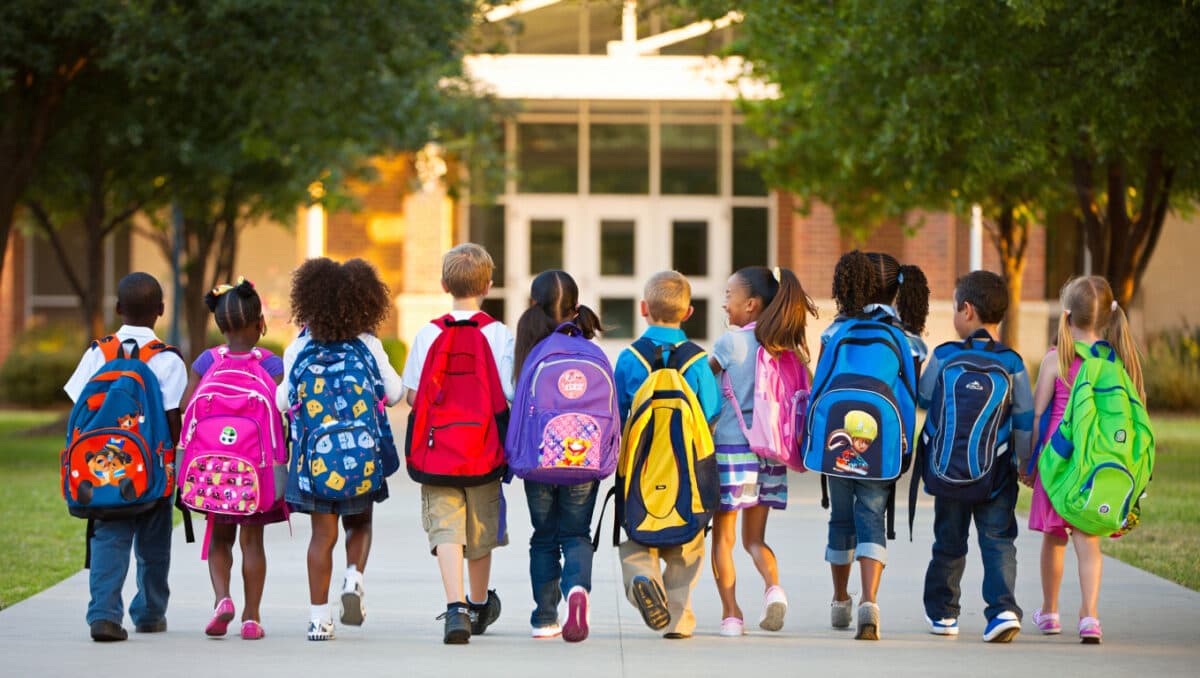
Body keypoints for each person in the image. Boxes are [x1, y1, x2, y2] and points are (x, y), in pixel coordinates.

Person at [277, 258, 402, 641]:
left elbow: (283, 401)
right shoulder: (368, 345)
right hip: (361, 458)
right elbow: (394, 393)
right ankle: (353, 577)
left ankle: (318, 620)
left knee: (322, 536)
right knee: (360, 523)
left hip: (314, 464)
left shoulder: (299, 348)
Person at [63, 272, 188, 642]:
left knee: (108, 539)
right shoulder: (168, 359)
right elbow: (172, 419)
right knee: (154, 545)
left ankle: (103, 616)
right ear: (161, 310)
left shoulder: (97, 352)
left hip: (102, 472)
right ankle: (149, 614)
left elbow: (79, 407)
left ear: (118, 309)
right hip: (152, 470)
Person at [1022, 276, 1145, 644]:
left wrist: (1029, 464)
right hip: (1095, 467)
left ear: (1067, 314)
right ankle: (1090, 616)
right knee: (1088, 540)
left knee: (1054, 538)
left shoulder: (1056, 359)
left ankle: (1049, 612)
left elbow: (1038, 416)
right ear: (1107, 317)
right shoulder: (1114, 363)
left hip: (1058, 464)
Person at [402, 243, 514, 644]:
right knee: (480, 532)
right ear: (488, 286)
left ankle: (456, 608)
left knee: (447, 529)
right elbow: (508, 392)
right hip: (484, 449)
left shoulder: (429, 333)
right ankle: (479, 604)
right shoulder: (498, 333)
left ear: (444, 284)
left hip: (437, 452)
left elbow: (412, 396)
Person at [917, 271, 1033, 642]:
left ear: (967, 310)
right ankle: (1002, 610)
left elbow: (924, 398)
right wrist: (1024, 462)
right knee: (998, 540)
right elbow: (1024, 420)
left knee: (948, 542)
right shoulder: (1013, 363)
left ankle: (944, 613)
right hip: (996, 474)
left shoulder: (945, 355)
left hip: (949, 471)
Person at [821, 250, 929, 640]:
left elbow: (820, 385)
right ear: (897, 289)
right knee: (872, 516)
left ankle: (840, 600)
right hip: (882, 443)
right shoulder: (909, 340)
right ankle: (869, 601)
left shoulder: (835, 332)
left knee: (840, 518)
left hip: (836, 441)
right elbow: (912, 396)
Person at [708, 266, 817, 637]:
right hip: (770, 453)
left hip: (732, 451)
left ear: (751, 304)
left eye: (729, 296)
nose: (725, 304)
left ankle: (731, 616)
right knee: (754, 540)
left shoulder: (731, 343)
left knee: (723, 539)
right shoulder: (784, 349)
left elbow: (702, 384)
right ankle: (774, 589)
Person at [613, 270, 721, 640]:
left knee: (637, 536)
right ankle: (677, 619)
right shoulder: (697, 360)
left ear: (643, 308)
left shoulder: (630, 358)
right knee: (687, 543)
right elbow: (710, 412)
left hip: (640, 466)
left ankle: (642, 577)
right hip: (686, 467)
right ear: (688, 312)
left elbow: (618, 412)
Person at [182, 278, 286, 640]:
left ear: (220, 325)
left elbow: (186, 407)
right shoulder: (272, 365)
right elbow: (283, 412)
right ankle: (251, 617)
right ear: (260, 324)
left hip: (213, 471)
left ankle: (222, 599)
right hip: (255, 473)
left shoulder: (206, 361)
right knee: (252, 543)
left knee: (220, 540)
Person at [512, 270, 606, 641]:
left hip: (539, 461)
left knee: (544, 538)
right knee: (577, 533)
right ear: (576, 308)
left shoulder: (531, 350)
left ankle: (545, 617)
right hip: (584, 461)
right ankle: (578, 590)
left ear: (534, 305)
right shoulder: (592, 352)